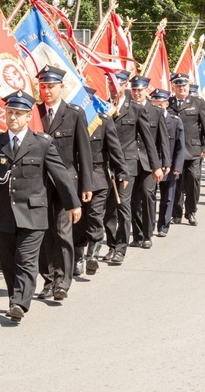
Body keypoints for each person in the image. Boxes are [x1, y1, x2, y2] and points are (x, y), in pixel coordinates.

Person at [0, 91, 81, 323]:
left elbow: (60, 175)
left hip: (33, 213)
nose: (13, 117)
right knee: (7, 261)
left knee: (26, 259)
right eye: (10, 112)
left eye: (18, 113)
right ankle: (15, 296)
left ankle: (19, 303)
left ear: (28, 116)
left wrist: (73, 204)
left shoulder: (42, 143)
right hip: (4, 214)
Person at [35, 65, 92, 300]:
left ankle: (62, 281)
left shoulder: (74, 113)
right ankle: (47, 279)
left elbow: (83, 152)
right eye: (43, 87)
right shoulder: (33, 113)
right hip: (37, 184)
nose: (47, 91)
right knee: (41, 233)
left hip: (65, 183)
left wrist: (86, 185)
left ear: (61, 87)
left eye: (51, 87)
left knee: (61, 232)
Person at [104, 70, 160, 264]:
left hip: (127, 166)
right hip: (105, 165)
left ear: (123, 85)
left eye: (117, 84)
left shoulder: (135, 109)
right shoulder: (102, 107)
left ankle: (121, 248)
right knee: (108, 209)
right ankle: (111, 244)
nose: (114, 87)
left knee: (123, 205)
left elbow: (148, 140)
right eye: (110, 83)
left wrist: (156, 166)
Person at [75, 87, 128, 275]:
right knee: (78, 221)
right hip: (77, 178)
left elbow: (115, 149)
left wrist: (122, 172)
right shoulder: (72, 121)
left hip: (98, 177)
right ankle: (78, 257)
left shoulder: (103, 122)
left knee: (95, 216)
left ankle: (92, 256)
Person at [168, 73, 205, 226]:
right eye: (179, 86)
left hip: (193, 150)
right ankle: (176, 213)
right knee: (176, 183)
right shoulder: (168, 104)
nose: (182, 88)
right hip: (174, 151)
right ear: (173, 87)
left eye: (184, 85)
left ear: (188, 87)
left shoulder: (198, 102)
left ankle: (191, 211)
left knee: (194, 180)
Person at [129, 75, 169, 249]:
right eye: (134, 90)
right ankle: (137, 234)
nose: (137, 93)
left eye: (140, 90)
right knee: (132, 199)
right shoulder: (126, 109)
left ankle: (147, 234)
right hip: (131, 161)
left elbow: (163, 139)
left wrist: (163, 163)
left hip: (150, 163)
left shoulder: (156, 111)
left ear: (146, 90)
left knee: (147, 195)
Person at [150, 88, 184, 237]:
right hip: (151, 164)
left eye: (160, 104)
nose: (157, 107)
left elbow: (180, 146)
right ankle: (149, 225)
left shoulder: (175, 121)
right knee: (149, 196)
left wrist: (177, 166)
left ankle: (163, 225)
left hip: (168, 165)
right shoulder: (147, 119)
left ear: (166, 104)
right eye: (154, 104)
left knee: (167, 198)